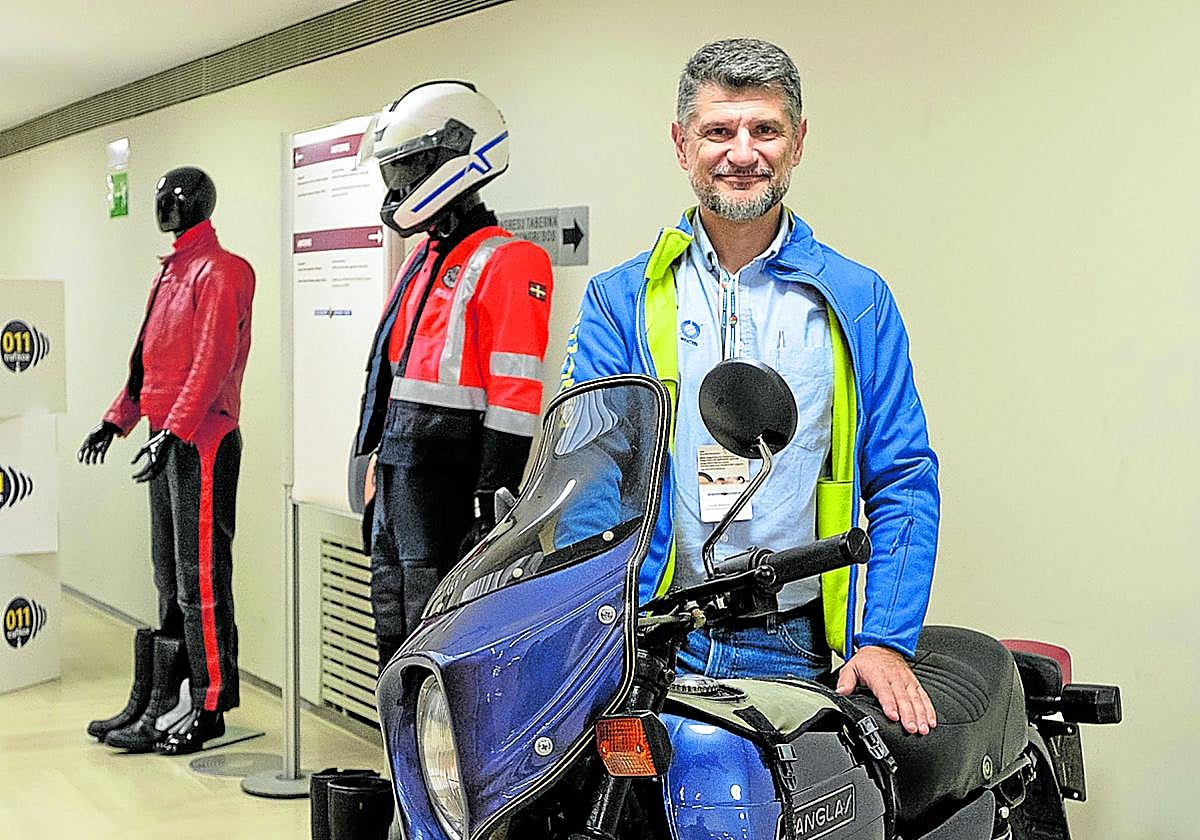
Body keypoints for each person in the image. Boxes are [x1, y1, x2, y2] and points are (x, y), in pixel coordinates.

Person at [561, 39, 939, 735]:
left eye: (765, 129)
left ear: (798, 142)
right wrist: (590, 628)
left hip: (791, 644)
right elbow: (591, 477)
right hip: (649, 637)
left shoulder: (855, 299)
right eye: (718, 131)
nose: (742, 153)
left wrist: (884, 638)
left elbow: (904, 478)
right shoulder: (622, 298)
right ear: (682, 145)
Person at [353, 81, 553, 669]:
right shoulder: (424, 257)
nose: (398, 185)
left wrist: (490, 503)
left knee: (436, 644)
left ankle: (440, 763)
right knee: (394, 633)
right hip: (399, 480)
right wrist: (371, 460)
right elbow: (389, 373)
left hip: (449, 487)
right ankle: (399, 760)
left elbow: (515, 397)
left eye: (408, 167)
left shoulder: (512, 259)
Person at [78, 166, 255, 754]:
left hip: (202, 439)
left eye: (176, 197)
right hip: (169, 434)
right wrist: (118, 419)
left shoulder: (222, 270)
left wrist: (173, 431)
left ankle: (210, 703)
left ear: (203, 202)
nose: (165, 206)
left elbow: (211, 360)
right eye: (160, 198)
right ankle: (160, 696)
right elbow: (147, 361)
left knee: (201, 575)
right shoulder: (174, 269)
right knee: (168, 572)